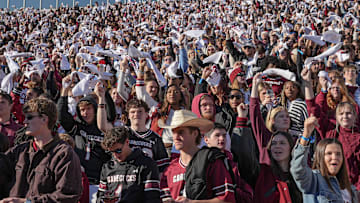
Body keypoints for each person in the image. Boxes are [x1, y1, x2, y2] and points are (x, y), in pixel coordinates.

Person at [2, 98, 82, 203]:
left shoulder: (64, 154)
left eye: (29, 117)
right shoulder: (18, 151)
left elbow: (67, 195)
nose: (25, 122)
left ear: (44, 119)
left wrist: (28, 202)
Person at [159, 109, 237, 203]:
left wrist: (192, 202)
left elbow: (227, 200)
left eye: (181, 132)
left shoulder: (212, 161)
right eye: (173, 132)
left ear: (195, 134)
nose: (175, 137)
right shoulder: (170, 170)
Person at [290, 116, 359, 203]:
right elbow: (297, 169)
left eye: (338, 154)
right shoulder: (313, 180)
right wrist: (306, 135)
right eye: (329, 153)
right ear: (320, 157)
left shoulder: (351, 189)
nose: (334, 157)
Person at [96, 126, 161, 203]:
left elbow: (152, 198)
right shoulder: (107, 167)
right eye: (111, 152)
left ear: (127, 142)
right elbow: (100, 197)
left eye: (118, 150)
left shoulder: (146, 164)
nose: (115, 155)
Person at [204, 122, 254, 203]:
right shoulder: (201, 163)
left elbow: (248, 195)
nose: (222, 138)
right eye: (217, 135)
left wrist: (233, 190)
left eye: (224, 135)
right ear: (206, 139)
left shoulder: (231, 163)